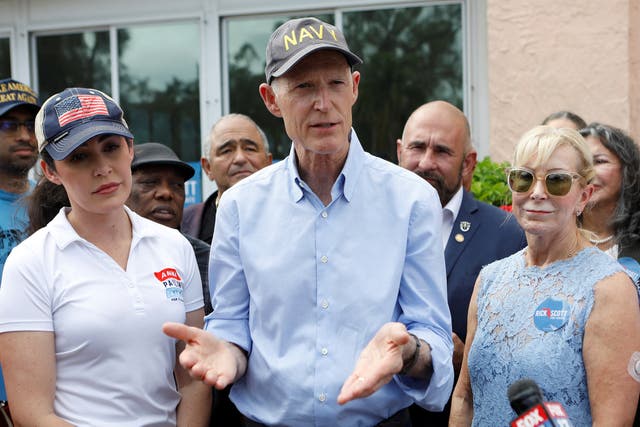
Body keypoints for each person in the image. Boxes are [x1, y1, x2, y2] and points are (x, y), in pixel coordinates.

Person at [164, 16, 454, 426]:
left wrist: (406, 353)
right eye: (303, 87)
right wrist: (227, 353)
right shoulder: (241, 206)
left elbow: (433, 335)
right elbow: (232, 323)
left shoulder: (410, 200)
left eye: (335, 84)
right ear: (271, 99)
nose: (323, 104)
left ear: (354, 88)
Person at [0, 87, 211, 426]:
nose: (102, 169)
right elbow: (33, 412)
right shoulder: (30, 263)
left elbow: (192, 375)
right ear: (50, 170)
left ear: (130, 149)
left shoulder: (174, 246)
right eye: (79, 157)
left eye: (111, 148)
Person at [449, 125, 640, 426]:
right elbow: (464, 397)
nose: (537, 193)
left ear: (583, 196)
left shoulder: (609, 289)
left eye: (557, 181)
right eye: (524, 178)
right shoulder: (490, 279)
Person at [396, 100, 526, 425]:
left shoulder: (507, 235)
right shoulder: (363, 223)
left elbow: (523, 354)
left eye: (442, 151)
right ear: (399, 152)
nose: (426, 162)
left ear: (468, 164)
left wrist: (465, 356)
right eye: (416, 147)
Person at [578, 123, 640, 423]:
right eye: (582, 164)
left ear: (627, 171)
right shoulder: (551, 242)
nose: (589, 172)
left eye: (599, 162)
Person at [127, 142, 213, 316]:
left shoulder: (209, 261)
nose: (166, 193)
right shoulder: (95, 253)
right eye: (150, 183)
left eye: (177, 185)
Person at [0, 77, 40, 408]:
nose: (25, 136)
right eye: (9, 125)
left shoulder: (53, 204)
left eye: (30, 125)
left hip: (43, 389)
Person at [181, 114, 272, 244]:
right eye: (227, 151)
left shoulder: (292, 215)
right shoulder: (185, 223)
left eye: (250, 149)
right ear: (208, 167)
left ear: (269, 162)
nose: (240, 158)